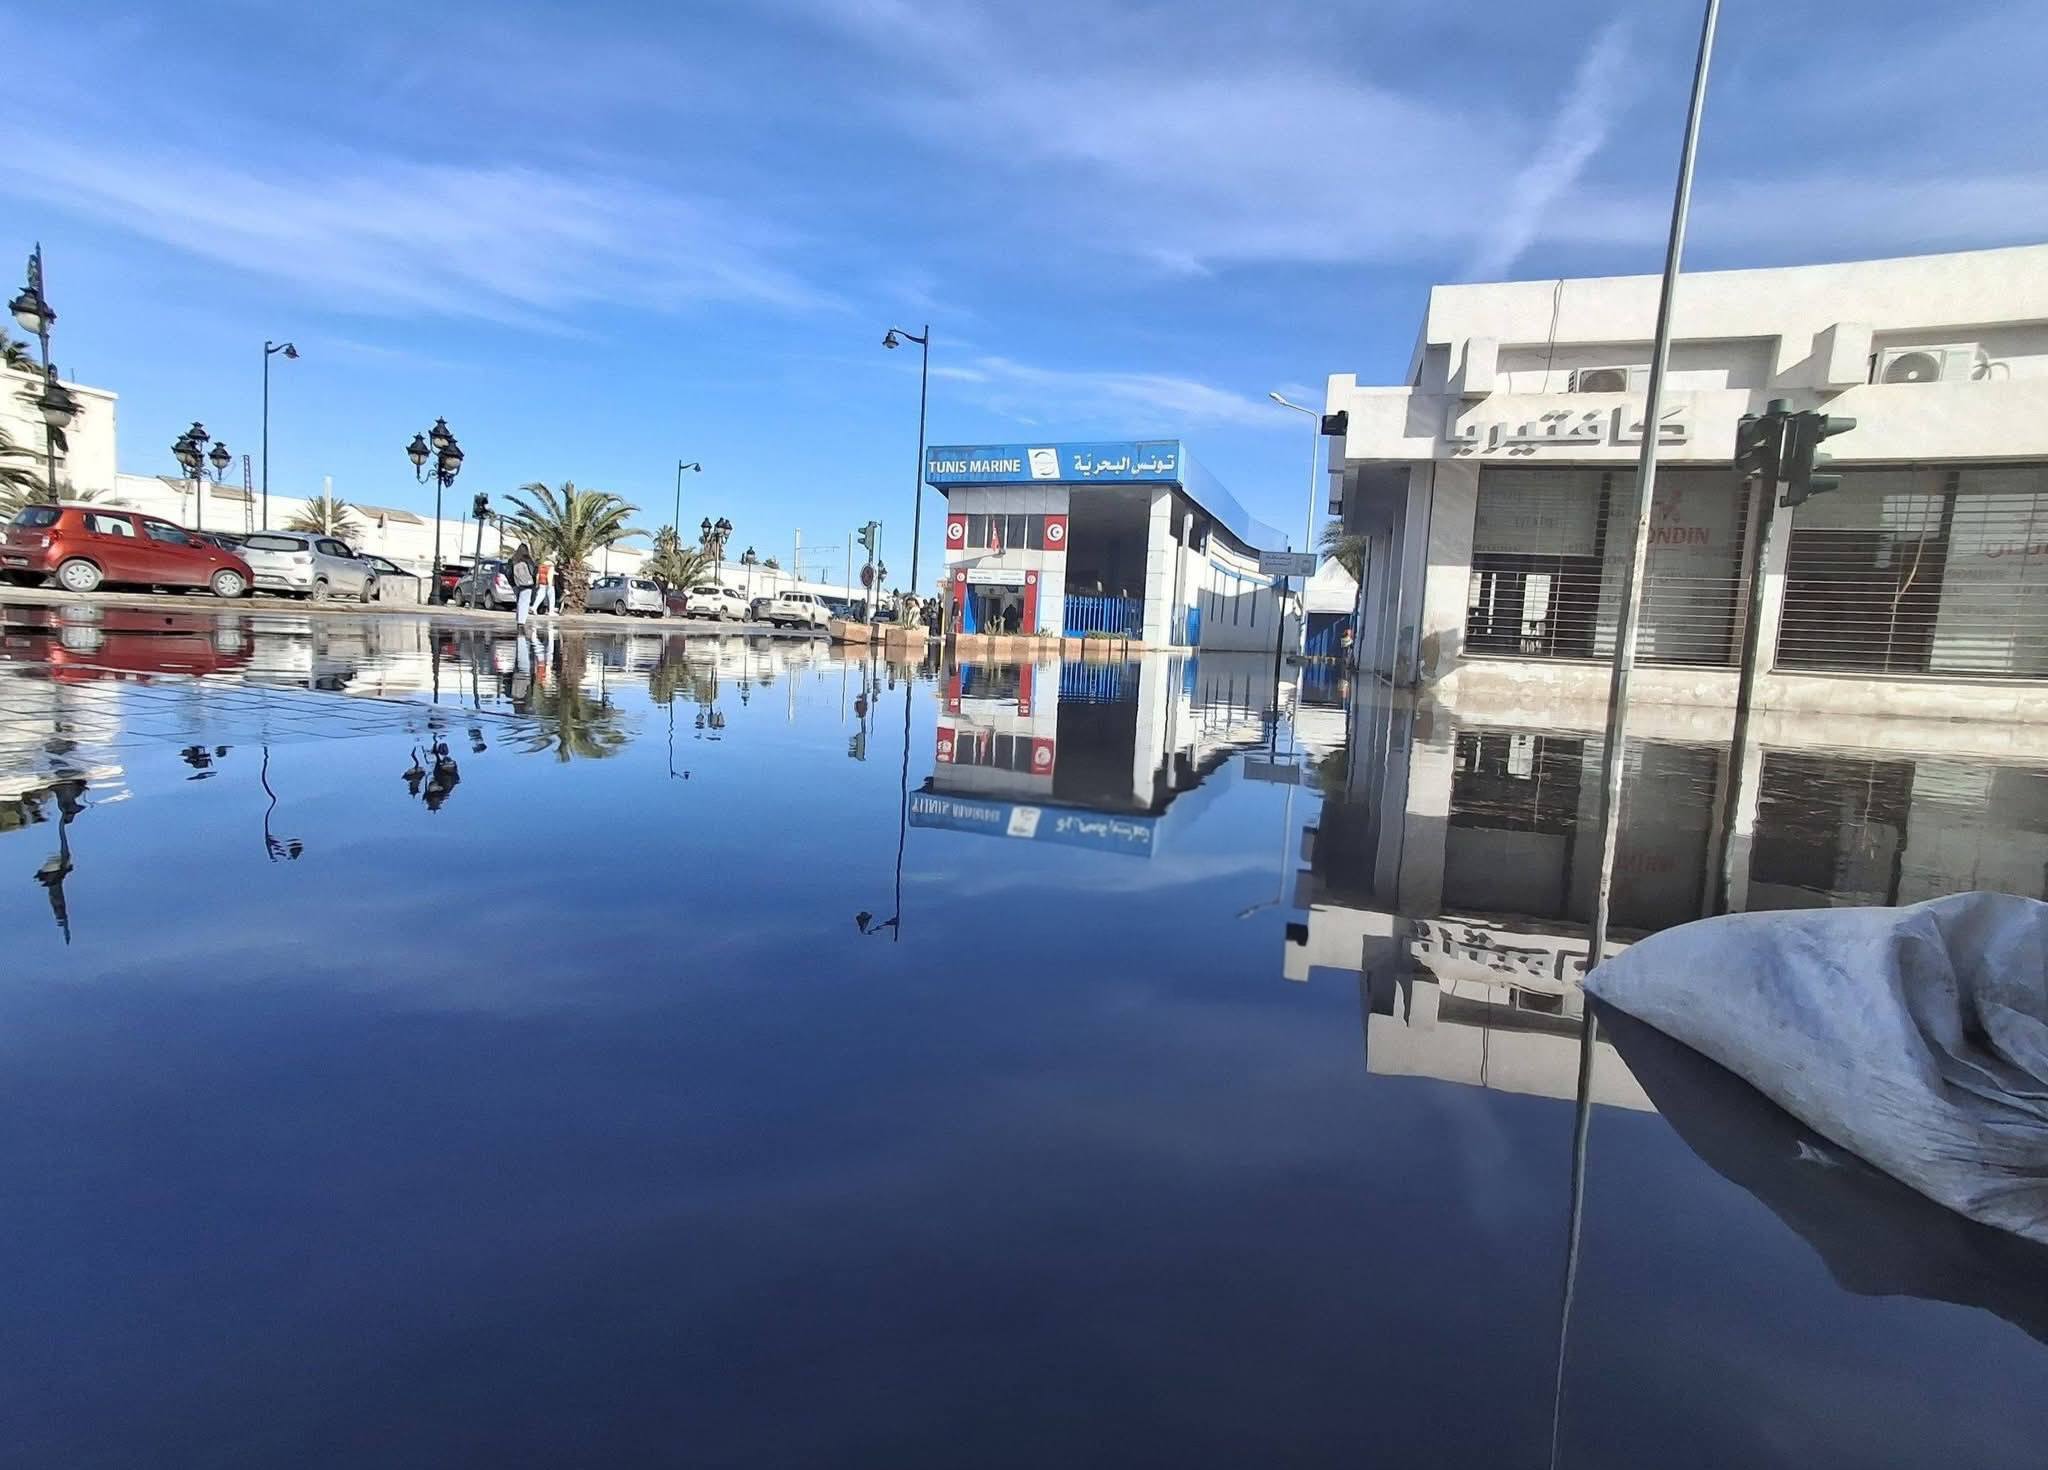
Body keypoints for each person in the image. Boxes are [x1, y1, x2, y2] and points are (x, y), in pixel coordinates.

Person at [508, 542, 538, 625]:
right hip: (527, 585)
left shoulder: (513, 560)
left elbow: (508, 573)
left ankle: (518, 620)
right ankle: (521, 622)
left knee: (519, 602)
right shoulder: (528, 560)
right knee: (524, 603)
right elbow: (533, 572)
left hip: (516, 584)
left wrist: (512, 584)